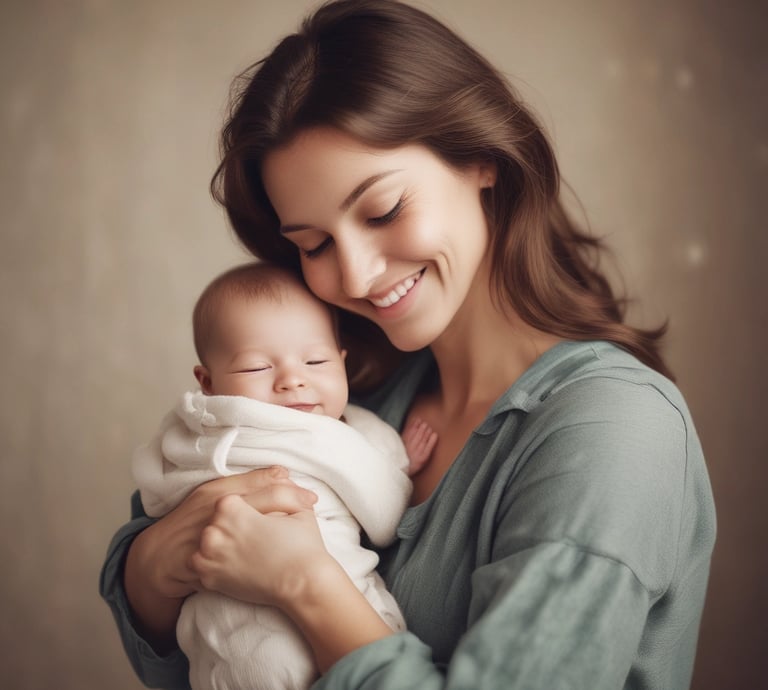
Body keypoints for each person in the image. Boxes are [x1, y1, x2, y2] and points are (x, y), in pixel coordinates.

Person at [100, 1, 717, 688]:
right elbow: (191, 649)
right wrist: (154, 563)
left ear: (482, 159)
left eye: (384, 210)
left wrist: (305, 584)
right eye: (315, 244)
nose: (355, 276)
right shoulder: (351, 383)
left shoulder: (613, 430)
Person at [131, 261, 436, 689]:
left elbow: (154, 499)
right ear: (207, 381)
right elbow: (386, 517)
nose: (293, 380)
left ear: (342, 362)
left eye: (315, 361)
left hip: (219, 647)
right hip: (320, 642)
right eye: (257, 368)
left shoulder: (181, 437)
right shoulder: (330, 438)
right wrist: (397, 464)